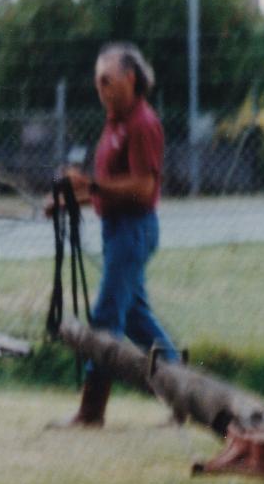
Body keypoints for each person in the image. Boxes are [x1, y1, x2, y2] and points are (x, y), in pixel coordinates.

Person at [49, 42, 180, 429]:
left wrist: (88, 184)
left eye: (106, 81)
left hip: (134, 230)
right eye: (97, 82)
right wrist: (68, 200)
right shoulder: (114, 124)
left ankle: (92, 411)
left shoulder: (143, 124)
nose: (100, 88)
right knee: (138, 319)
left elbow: (142, 188)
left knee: (106, 314)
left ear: (130, 79)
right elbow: (107, 186)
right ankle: (185, 395)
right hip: (115, 230)